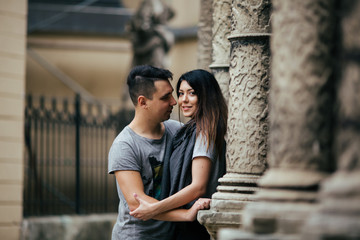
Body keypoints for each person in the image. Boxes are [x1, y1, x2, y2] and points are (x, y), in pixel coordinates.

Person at [108, 65, 209, 240]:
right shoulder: (124, 145)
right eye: (165, 97)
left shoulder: (176, 130)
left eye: (171, 94)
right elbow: (137, 204)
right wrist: (185, 215)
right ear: (143, 102)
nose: (174, 102)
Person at [130, 69, 228, 240]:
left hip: (195, 227)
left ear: (206, 96)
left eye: (192, 93)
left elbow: (198, 186)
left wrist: (155, 209)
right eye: (181, 93)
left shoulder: (203, 132)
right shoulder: (190, 131)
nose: (183, 100)